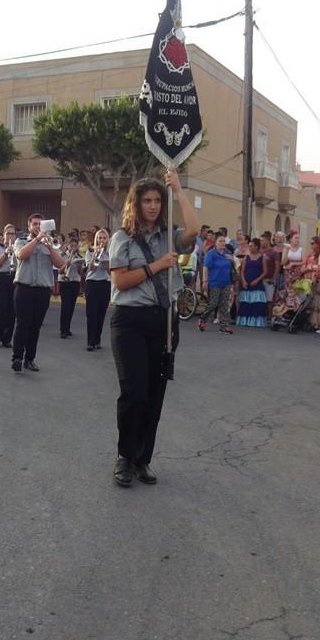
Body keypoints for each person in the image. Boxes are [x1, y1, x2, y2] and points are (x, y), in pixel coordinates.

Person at [108, 171, 199, 487]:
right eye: (147, 200)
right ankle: (124, 457)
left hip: (163, 320)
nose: (153, 206)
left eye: (158, 200)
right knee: (133, 392)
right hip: (129, 321)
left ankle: (142, 459)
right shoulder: (121, 239)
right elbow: (120, 281)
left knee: (154, 395)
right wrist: (158, 266)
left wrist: (179, 191)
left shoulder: (167, 235)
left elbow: (194, 230)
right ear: (136, 203)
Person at [11, 213, 66, 372]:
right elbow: (21, 255)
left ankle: (30, 359)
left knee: (35, 326)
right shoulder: (21, 241)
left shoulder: (49, 244)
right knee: (22, 324)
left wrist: (48, 245)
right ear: (29, 226)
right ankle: (17, 358)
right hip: (24, 288)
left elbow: (61, 264)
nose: (37, 226)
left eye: (40, 224)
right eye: (34, 224)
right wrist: (37, 240)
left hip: (42, 290)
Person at [198, 234, 235, 333]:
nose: (223, 243)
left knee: (224, 304)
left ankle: (224, 327)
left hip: (226, 282)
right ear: (215, 243)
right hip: (214, 282)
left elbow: (234, 265)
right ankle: (203, 319)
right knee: (213, 304)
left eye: (224, 241)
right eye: (220, 241)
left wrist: (232, 260)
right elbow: (206, 267)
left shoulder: (227, 253)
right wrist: (205, 281)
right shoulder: (212, 253)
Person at [0, 224, 17, 349]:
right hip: (0, 278)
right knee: (0, 308)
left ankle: (7, 339)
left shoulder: (19, 247)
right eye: (8, 233)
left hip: (13, 278)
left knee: (12, 310)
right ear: (4, 235)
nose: (10, 235)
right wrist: (6, 253)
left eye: (12, 233)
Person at [84, 228, 111, 351]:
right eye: (99, 238)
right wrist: (96, 253)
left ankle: (97, 340)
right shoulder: (90, 252)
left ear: (107, 239)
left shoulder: (110, 253)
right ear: (96, 239)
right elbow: (91, 268)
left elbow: (112, 272)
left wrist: (107, 265)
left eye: (104, 238)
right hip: (92, 284)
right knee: (91, 314)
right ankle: (90, 341)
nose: (102, 240)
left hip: (105, 284)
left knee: (101, 313)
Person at [236, 238, 268, 328]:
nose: (249, 248)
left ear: (256, 247)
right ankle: (245, 320)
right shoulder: (246, 257)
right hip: (247, 282)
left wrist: (257, 280)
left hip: (257, 283)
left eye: (251, 246)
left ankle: (256, 322)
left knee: (257, 303)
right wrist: (244, 281)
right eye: (249, 246)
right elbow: (242, 271)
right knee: (246, 303)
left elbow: (265, 272)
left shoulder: (263, 258)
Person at [58, 237, 83, 339]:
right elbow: (59, 271)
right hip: (64, 282)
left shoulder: (79, 256)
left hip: (74, 282)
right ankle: (62, 329)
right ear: (68, 246)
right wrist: (66, 264)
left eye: (75, 246)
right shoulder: (62, 255)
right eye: (71, 245)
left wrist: (79, 266)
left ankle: (67, 328)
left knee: (71, 306)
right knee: (65, 306)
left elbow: (80, 273)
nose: (73, 248)